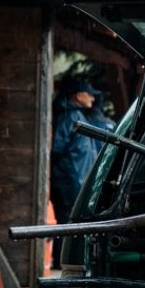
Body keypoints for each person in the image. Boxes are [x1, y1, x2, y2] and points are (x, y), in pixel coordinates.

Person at [50, 78, 99, 267]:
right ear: (79, 96)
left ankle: (67, 260)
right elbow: (57, 147)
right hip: (69, 180)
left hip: (76, 179)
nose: (93, 98)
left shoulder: (77, 115)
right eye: (89, 94)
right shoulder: (71, 117)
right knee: (67, 221)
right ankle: (63, 261)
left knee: (71, 220)